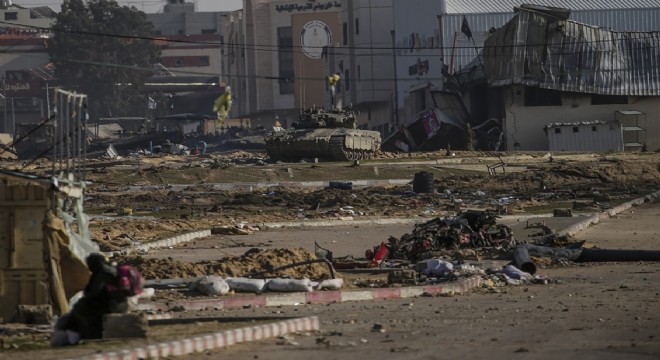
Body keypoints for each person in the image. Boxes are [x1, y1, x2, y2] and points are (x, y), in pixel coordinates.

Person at [52, 253, 130, 345]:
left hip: (110, 306)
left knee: (80, 310)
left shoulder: (102, 273)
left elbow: (93, 293)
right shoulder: (110, 270)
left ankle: (91, 333)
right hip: (120, 305)